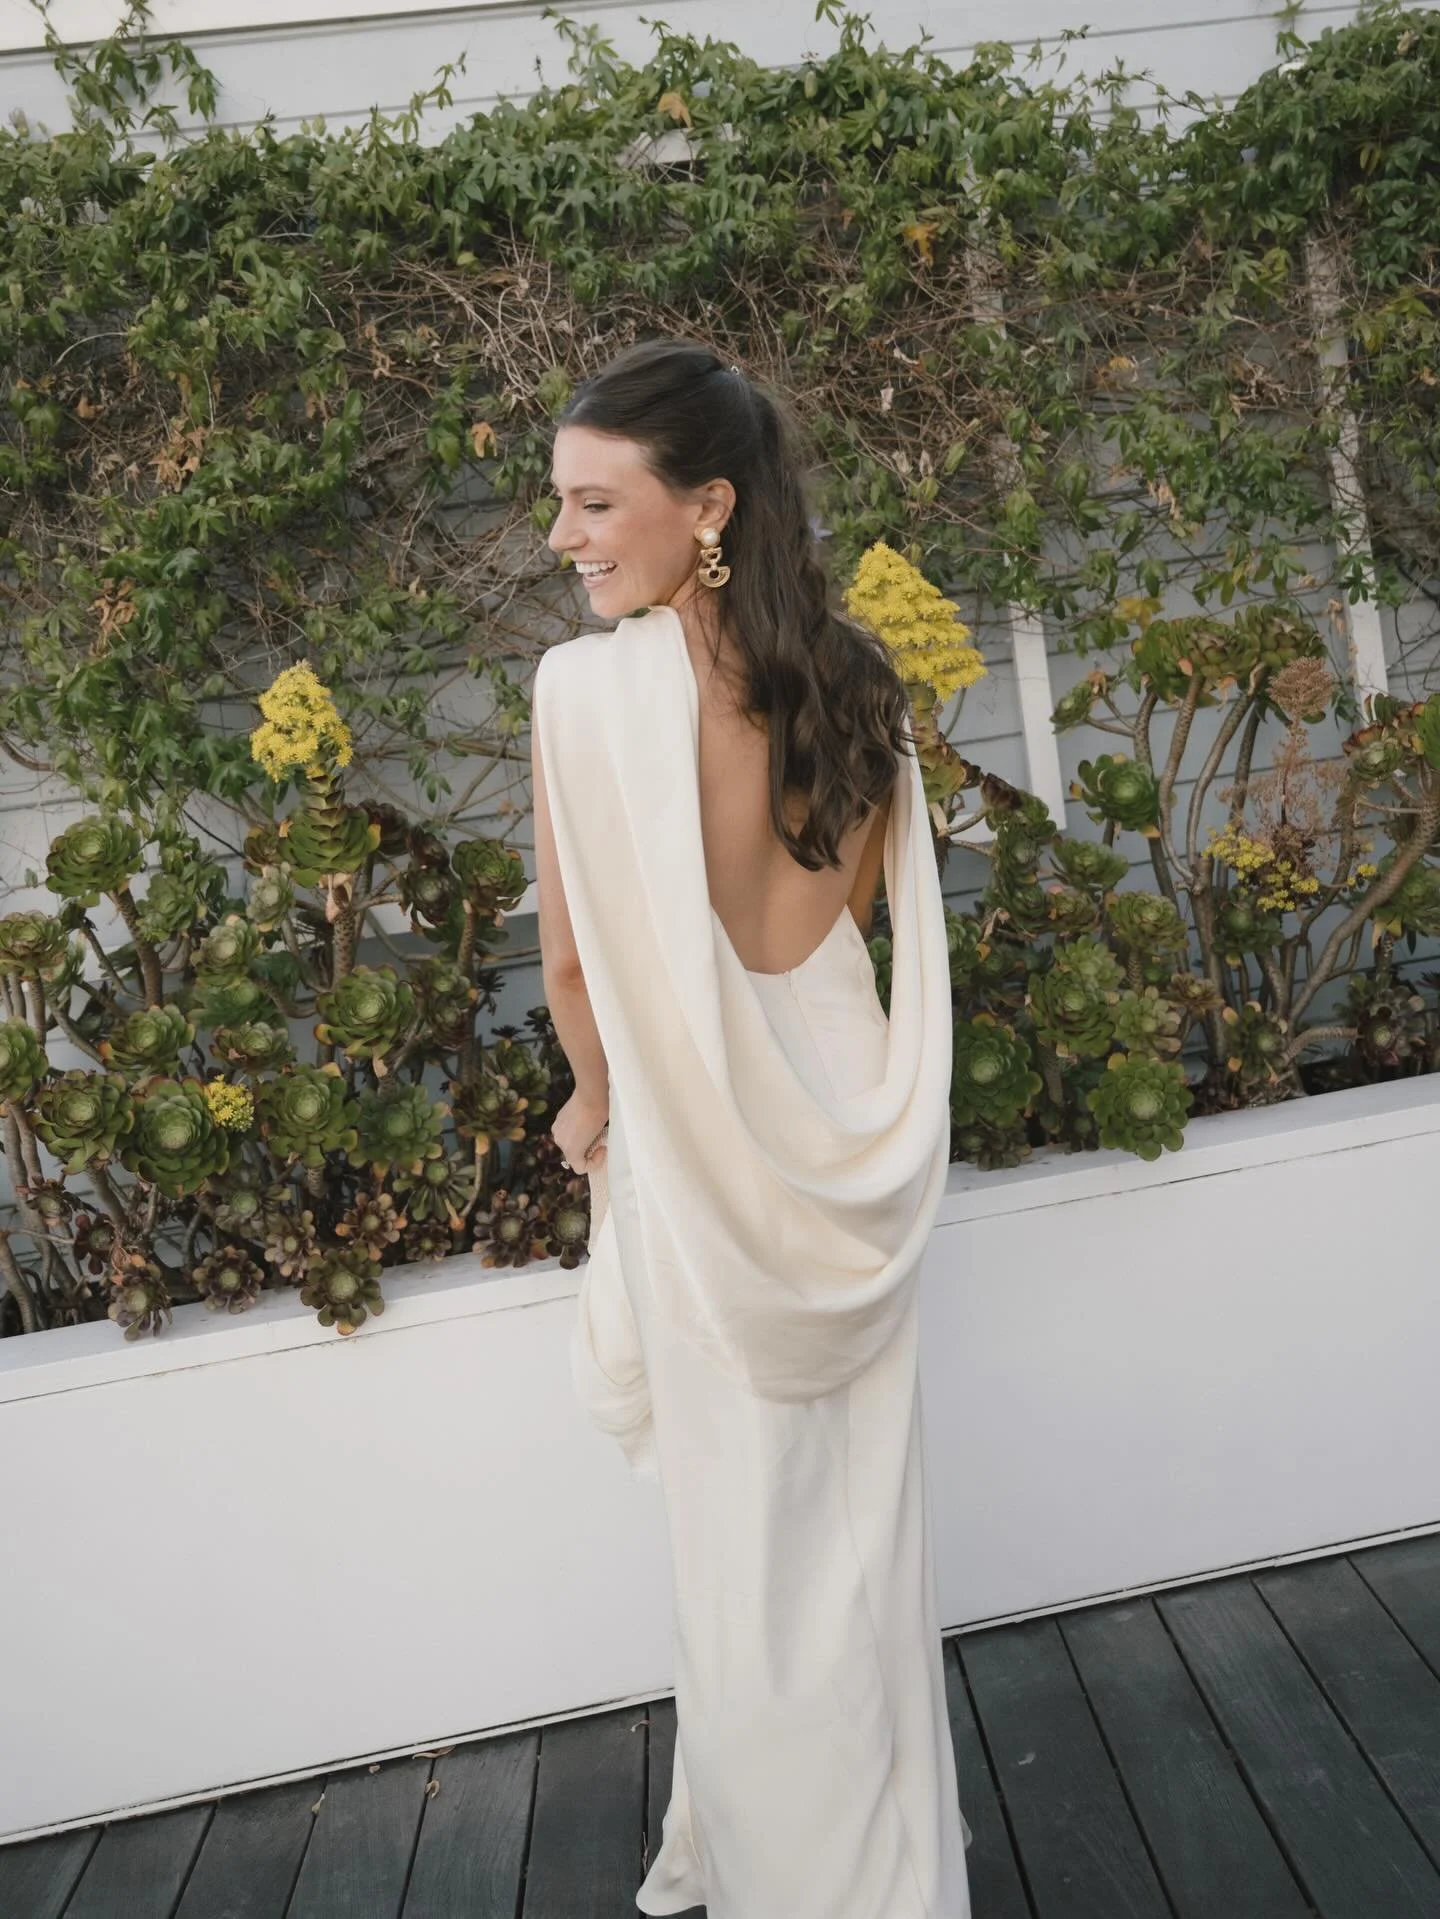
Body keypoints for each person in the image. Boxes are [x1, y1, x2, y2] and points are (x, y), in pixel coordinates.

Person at [529, 338, 971, 1918]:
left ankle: (792, 1874)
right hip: (841, 1108)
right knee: (861, 1536)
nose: (564, 537)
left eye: (595, 502)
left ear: (704, 504)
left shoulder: (584, 693)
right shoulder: (853, 676)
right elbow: (845, 918)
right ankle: (880, 1856)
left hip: (695, 1126)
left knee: (741, 1549)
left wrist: (594, 1093)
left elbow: (578, 961)